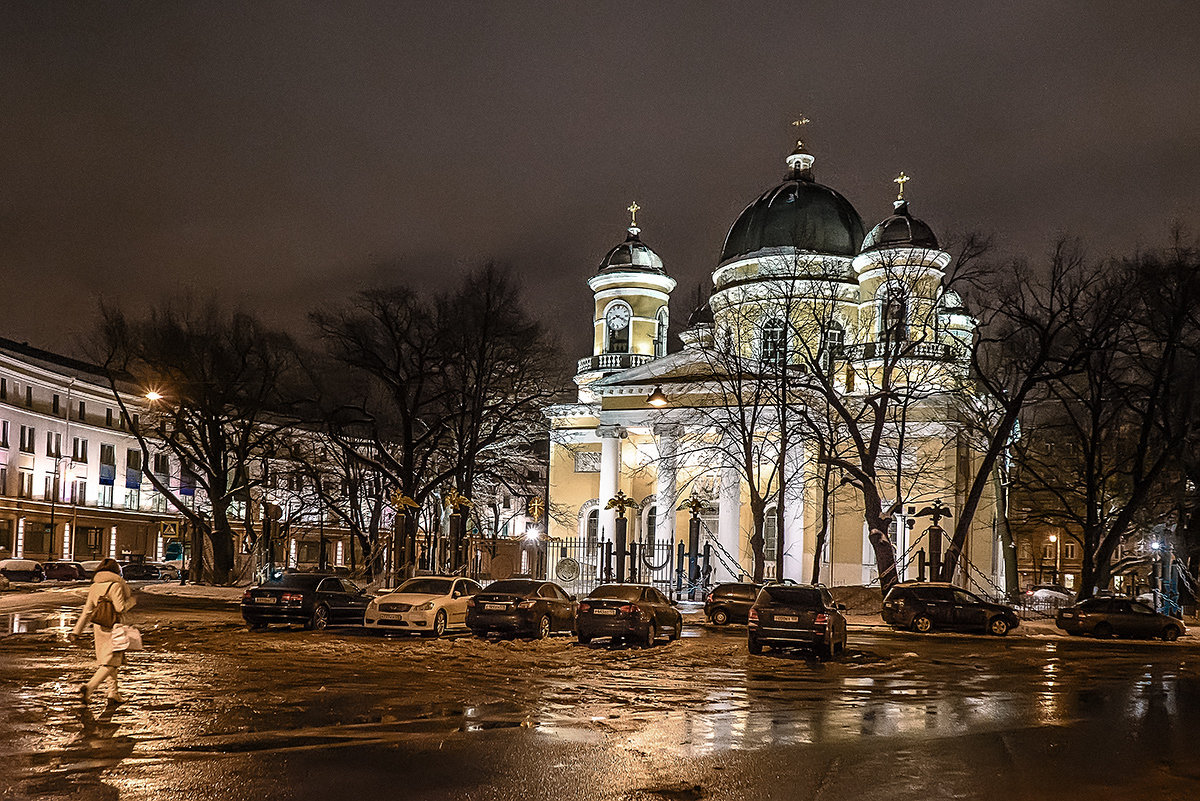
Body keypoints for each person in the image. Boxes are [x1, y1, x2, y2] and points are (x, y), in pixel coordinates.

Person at [70, 558, 135, 704]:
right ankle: (90, 687)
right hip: (114, 626)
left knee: (108, 660)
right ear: (116, 571)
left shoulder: (95, 586)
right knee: (112, 661)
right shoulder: (116, 585)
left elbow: (87, 610)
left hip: (99, 627)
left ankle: (113, 693)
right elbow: (120, 608)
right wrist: (131, 601)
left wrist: (76, 631)